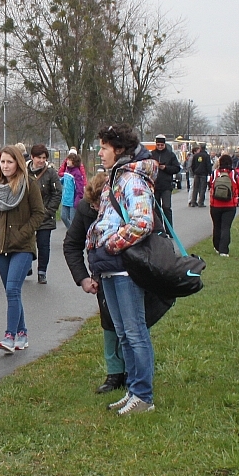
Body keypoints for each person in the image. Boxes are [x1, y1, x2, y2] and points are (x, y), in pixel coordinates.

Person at [85, 123, 158, 416]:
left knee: (134, 331)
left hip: (125, 268)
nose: (100, 152)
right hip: (109, 269)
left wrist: (111, 246)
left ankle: (143, 395)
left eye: (104, 147)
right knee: (124, 333)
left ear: (119, 149)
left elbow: (142, 222)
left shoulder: (132, 180)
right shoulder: (115, 178)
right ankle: (133, 390)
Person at [63, 172, 125, 394]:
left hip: (129, 270)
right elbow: (71, 244)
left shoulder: (127, 204)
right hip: (102, 274)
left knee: (132, 324)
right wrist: (83, 278)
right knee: (108, 323)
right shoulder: (85, 208)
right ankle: (115, 372)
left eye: (101, 204)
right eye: (95, 204)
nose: (98, 209)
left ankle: (136, 372)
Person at [0, 145, 45, 352]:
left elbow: (39, 213)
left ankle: (9, 336)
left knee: (13, 289)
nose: (5, 166)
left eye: (9, 162)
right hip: (0, 245)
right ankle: (22, 332)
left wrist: (23, 233)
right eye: (2, 162)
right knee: (11, 292)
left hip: (22, 247)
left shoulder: (29, 185)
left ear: (18, 163)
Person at [27, 143, 60, 285]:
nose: (41, 160)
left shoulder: (51, 173)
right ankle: (26, 266)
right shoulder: (24, 171)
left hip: (45, 215)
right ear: (32, 157)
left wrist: (48, 211)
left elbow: (57, 193)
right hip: (27, 216)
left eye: (44, 158)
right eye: (38, 157)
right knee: (25, 243)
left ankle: (42, 272)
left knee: (43, 244)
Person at [208, 154, 239, 257]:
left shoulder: (215, 173)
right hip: (230, 205)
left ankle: (217, 246)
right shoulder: (233, 174)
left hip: (215, 205)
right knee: (226, 227)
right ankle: (224, 250)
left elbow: (210, 185)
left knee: (216, 226)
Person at [149, 134, 181, 226]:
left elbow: (177, 168)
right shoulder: (151, 154)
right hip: (154, 185)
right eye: (158, 145)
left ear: (164, 144)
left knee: (166, 207)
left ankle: (169, 229)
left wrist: (165, 168)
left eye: (161, 145)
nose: (159, 147)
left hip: (166, 185)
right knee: (156, 209)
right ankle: (160, 230)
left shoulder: (170, 155)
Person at [58, 150, 86, 228]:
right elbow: (63, 180)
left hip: (73, 201)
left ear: (74, 162)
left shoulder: (77, 173)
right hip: (65, 199)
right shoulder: (67, 170)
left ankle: (73, 233)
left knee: (73, 219)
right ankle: (71, 231)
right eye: (67, 159)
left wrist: (77, 200)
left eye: (70, 160)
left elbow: (80, 189)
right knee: (63, 217)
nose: (67, 161)